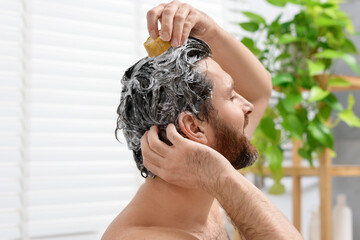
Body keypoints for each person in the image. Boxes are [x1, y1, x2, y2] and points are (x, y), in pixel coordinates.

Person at [102, 1, 304, 239]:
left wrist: (209, 30)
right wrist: (219, 176)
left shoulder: (198, 197)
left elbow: (260, 91)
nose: (248, 105)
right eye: (231, 96)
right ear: (194, 127)